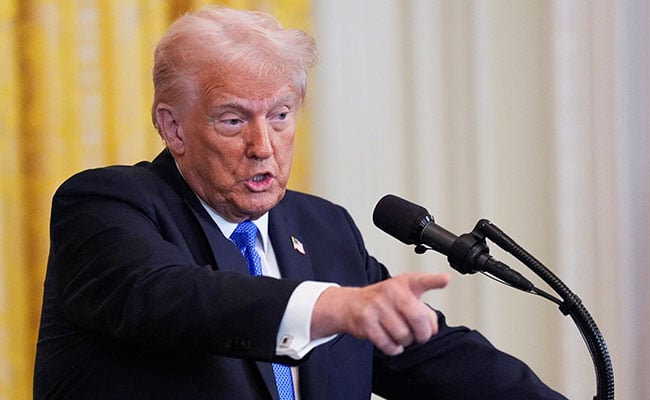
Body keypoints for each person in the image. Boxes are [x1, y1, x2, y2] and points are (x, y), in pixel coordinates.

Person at [34, 6, 566, 400]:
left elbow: (429, 354)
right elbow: (172, 298)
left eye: (281, 115)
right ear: (172, 126)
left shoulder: (324, 228)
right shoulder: (107, 205)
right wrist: (335, 306)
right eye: (234, 119)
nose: (263, 145)